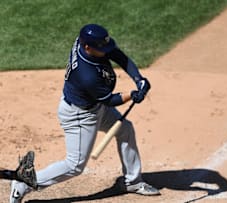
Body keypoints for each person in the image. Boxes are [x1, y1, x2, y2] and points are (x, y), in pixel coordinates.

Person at [10, 24, 160, 203]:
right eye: (101, 48)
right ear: (88, 47)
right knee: (74, 166)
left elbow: (119, 56)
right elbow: (109, 100)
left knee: (125, 129)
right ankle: (22, 184)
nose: (105, 51)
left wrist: (139, 79)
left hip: (94, 107)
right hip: (81, 116)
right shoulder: (86, 74)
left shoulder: (88, 44)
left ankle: (132, 182)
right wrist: (133, 95)